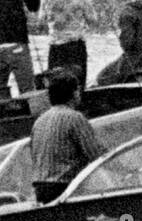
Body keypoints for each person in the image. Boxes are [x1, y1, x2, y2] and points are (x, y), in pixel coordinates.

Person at [31, 68, 106, 205]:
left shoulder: (39, 121)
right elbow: (96, 154)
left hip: (40, 188)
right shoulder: (75, 118)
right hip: (63, 187)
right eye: (77, 90)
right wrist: (122, 168)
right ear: (73, 93)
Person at [39, 0, 93, 93]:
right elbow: (92, 19)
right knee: (77, 85)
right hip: (76, 47)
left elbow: (41, 21)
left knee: (57, 86)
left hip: (56, 48)